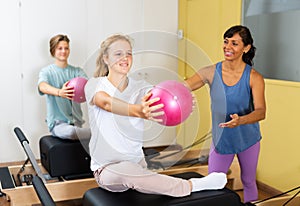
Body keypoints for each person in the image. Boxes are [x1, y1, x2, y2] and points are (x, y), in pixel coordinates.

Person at [84, 34, 227, 197]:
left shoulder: (141, 87)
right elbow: (106, 103)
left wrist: (181, 101)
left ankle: (148, 178)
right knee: (128, 172)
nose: (125, 58)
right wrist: (137, 110)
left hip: (138, 163)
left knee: (135, 172)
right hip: (107, 169)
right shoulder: (94, 84)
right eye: (118, 54)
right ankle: (191, 186)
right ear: (106, 58)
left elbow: (163, 97)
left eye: (129, 53)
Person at [184, 25, 266, 203]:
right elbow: (184, 86)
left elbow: (261, 112)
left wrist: (240, 120)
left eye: (234, 43)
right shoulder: (211, 72)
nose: (227, 47)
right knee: (213, 183)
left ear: (246, 48)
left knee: (248, 181)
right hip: (222, 139)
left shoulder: (254, 77)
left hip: (248, 139)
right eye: (226, 41)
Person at [38, 34, 91, 140]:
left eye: (66, 48)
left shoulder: (77, 71)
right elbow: (42, 86)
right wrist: (59, 92)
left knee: (75, 131)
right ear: (53, 50)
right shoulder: (47, 71)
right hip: (58, 124)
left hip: (76, 123)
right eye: (60, 48)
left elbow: (88, 86)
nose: (63, 51)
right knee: (71, 133)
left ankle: (96, 133)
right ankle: (98, 133)